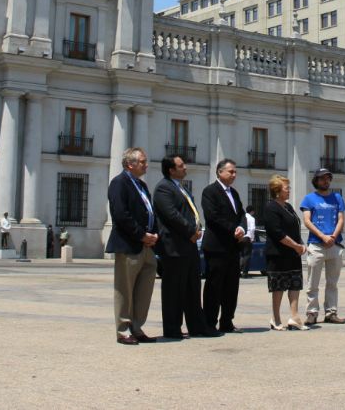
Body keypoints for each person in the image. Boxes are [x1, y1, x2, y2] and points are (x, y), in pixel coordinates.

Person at [152, 155, 215, 339]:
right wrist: (190, 231)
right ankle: (172, 328)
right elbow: (171, 215)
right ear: (171, 170)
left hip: (189, 245)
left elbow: (189, 212)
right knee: (173, 290)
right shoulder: (163, 188)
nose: (185, 167)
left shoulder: (181, 188)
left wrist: (197, 229)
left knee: (192, 288)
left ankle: (197, 326)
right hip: (174, 246)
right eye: (181, 166)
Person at [105, 147, 158, 345]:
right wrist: (141, 235)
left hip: (147, 246)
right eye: (142, 161)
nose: (146, 165)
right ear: (130, 164)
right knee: (124, 289)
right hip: (129, 245)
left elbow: (150, 212)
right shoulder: (119, 183)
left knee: (144, 290)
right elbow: (120, 215)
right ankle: (123, 329)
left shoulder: (142, 185)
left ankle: (137, 327)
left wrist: (154, 235)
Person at [201, 159, 247, 333]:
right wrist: (233, 228)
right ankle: (209, 322)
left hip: (233, 247)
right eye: (230, 172)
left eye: (235, 172)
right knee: (214, 286)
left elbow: (241, 214)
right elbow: (212, 216)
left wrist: (242, 226)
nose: (234, 175)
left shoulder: (234, 193)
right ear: (220, 172)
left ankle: (227, 321)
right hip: (216, 246)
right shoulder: (210, 191)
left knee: (231, 286)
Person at [300, 168, 345, 325]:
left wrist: (333, 236)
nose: (325, 181)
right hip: (316, 244)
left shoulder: (337, 197)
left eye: (328, 178)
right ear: (316, 181)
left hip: (334, 244)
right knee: (312, 283)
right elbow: (307, 221)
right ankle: (312, 313)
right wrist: (322, 236)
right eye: (322, 178)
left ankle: (331, 312)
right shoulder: (309, 199)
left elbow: (341, 219)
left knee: (332, 282)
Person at [263, 175, 307, 330]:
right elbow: (277, 232)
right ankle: (275, 318)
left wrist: (301, 244)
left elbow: (294, 227)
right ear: (277, 190)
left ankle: (295, 317)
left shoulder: (288, 207)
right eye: (286, 188)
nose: (289, 190)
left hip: (293, 253)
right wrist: (295, 245)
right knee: (278, 286)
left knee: (295, 283)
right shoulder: (271, 207)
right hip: (278, 253)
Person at [240, 205, 256, 278]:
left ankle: (238, 270)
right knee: (247, 255)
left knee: (241, 255)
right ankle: (245, 273)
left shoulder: (243, 217)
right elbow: (252, 229)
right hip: (247, 237)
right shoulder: (251, 218)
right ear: (252, 211)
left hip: (241, 237)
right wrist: (252, 238)